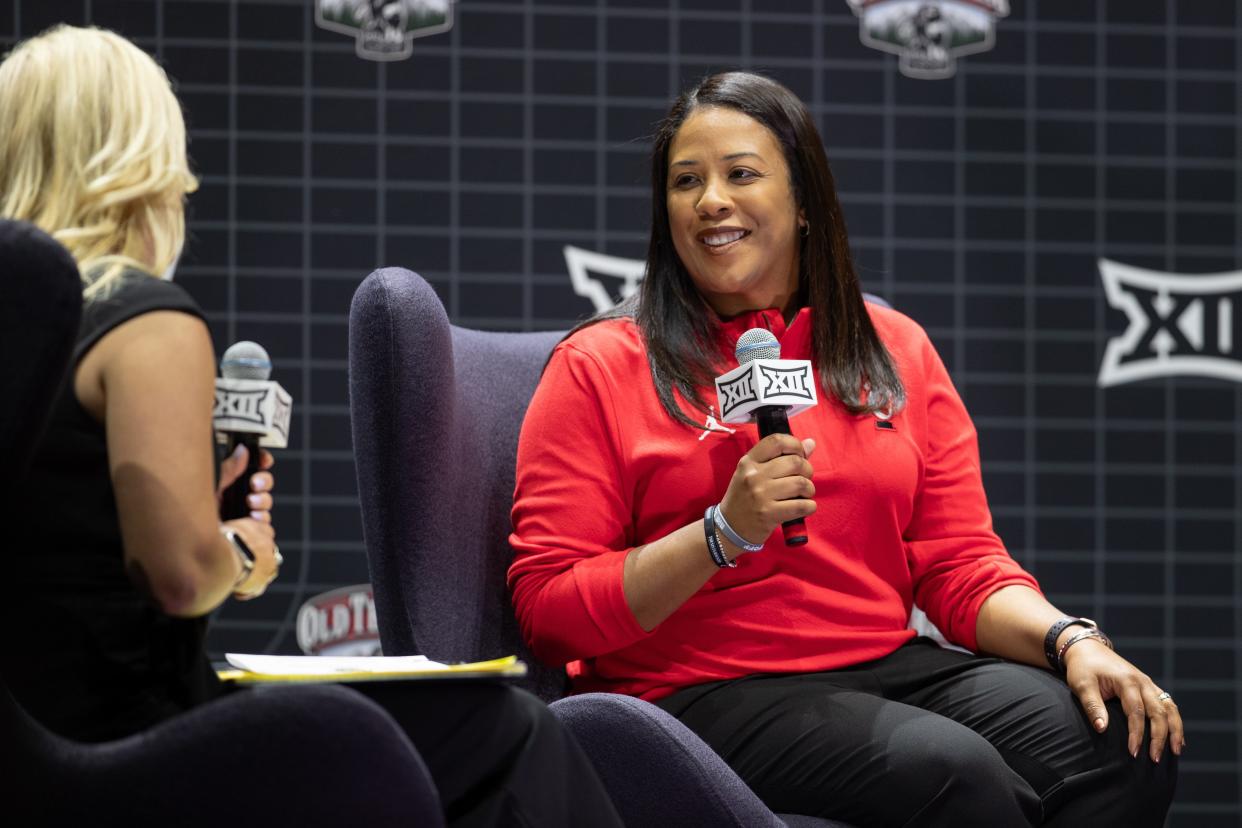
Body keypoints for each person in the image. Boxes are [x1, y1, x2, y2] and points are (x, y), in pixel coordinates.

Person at [508, 71, 1180, 826]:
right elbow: (549, 609)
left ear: (803, 204)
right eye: (685, 182)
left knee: (1122, 737)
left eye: (741, 174)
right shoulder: (600, 364)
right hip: (694, 694)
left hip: (884, 667)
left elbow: (959, 563)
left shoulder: (892, 348)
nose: (710, 202)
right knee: (950, 774)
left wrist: (1068, 640)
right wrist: (719, 536)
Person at [0, 25, 621, 827]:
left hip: (27, 742)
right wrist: (238, 551)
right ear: (140, 156)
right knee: (505, 727)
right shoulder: (143, 320)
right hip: (121, 744)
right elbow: (183, 579)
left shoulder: (25, 318)